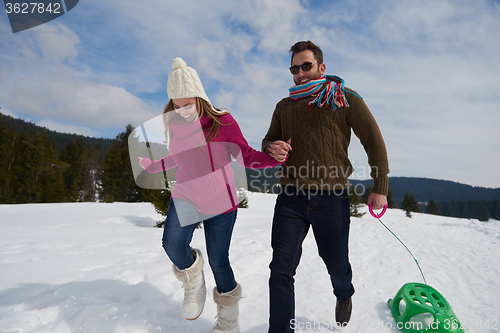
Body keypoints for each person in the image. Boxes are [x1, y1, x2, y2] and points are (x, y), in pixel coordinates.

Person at [139, 57, 288, 333]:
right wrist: (153, 166)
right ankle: (193, 280)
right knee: (172, 245)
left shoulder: (223, 122)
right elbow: (176, 156)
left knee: (219, 261)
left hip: (221, 201)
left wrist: (274, 159)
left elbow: (245, 155)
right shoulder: (175, 124)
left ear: (200, 97)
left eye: (188, 104)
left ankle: (228, 322)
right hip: (186, 195)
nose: (182, 111)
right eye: (176, 105)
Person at [262, 41, 389, 332]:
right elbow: (268, 140)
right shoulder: (284, 106)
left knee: (335, 262)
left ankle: (344, 294)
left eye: (306, 66)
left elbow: (373, 140)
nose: (300, 73)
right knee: (281, 268)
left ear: (322, 67)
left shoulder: (345, 99)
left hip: (331, 197)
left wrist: (379, 185)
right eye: (294, 69)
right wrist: (273, 147)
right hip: (291, 197)